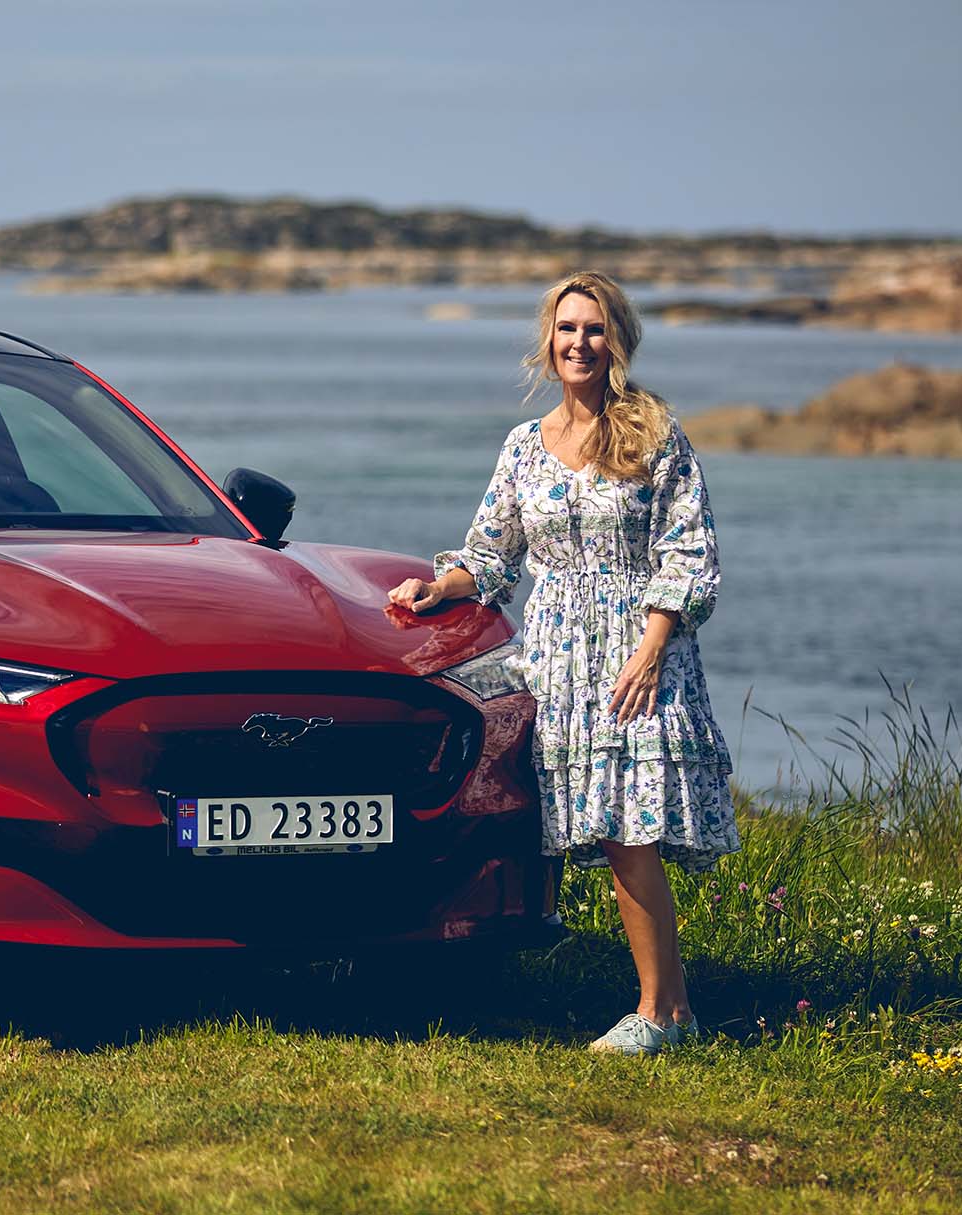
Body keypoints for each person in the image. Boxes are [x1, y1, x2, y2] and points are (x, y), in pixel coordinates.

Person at [387, 270, 737, 1055]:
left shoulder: (655, 434)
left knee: (629, 830)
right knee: (612, 831)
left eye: (595, 328)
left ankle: (655, 1013)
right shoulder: (523, 447)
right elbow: (491, 553)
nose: (580, 342)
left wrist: (652, 646)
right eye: (567, 328)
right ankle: (673, 1013)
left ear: (618, 339)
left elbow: (691, 554)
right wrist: (437, 586)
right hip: (557, 662)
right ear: (549, 342)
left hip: (636, 659)